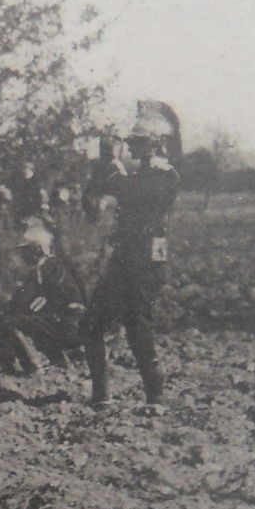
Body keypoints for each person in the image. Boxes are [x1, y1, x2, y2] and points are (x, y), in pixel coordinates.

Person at [81, 105, 182, 406]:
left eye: (138, 141)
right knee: (92, 325)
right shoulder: (143, 175)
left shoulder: (164, 176)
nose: (132, 146)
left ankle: (155, 396)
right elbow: (106, 189)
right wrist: (105, 164)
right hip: (125, 259)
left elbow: (130, 192)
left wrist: (112, 165)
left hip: (145, 263)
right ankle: (101, 395)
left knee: (137, 325)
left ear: (156, 143)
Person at [0, 219, 87, 375]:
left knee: (10, 324)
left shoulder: (40, 271)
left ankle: (34, 368)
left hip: (68, 325)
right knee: (35, 324)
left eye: (26, 251)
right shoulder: (56, 266)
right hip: (74, 323)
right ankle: (61, 364)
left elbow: (22, 303)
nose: (23, 255)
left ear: (37, 250)